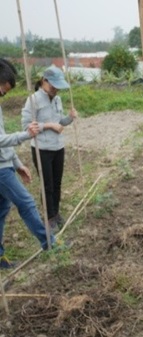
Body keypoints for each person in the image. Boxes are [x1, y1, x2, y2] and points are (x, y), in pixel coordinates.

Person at [0, 59, 57, 268]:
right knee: (26, 202)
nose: (3, 95)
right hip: (0, 170)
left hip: (5, 165)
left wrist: (16, 163)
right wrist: (25, 135)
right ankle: (50, 243)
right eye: (2, 90)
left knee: (1, 210)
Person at [21, 65, 77, 230]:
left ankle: (56, 213)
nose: (55, 90)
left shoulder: (57, 99)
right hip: (42, 149)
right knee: (47, 184)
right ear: (44, 81)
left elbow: (60, 122)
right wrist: (49, 125)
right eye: (53, 86)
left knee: (57, 182)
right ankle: (49, 216)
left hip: (58, 147)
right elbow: (26, 125)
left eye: (58, 87)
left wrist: (70, 118)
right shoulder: (34, 100)